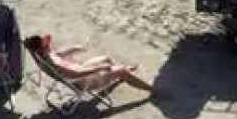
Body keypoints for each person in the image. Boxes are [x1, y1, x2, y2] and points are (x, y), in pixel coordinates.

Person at [23, 34, 153, 93]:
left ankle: (120, 73)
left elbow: (57, 54)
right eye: (46, 45)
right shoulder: (51, 62)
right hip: (84, 82)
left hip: (80, 72)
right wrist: (99, 68)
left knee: (106, 58)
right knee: (120, 71)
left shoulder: (40, 55)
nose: (49, 44)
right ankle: (149, 89)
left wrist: (73, 48)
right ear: (42, 48)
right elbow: (77, 73)